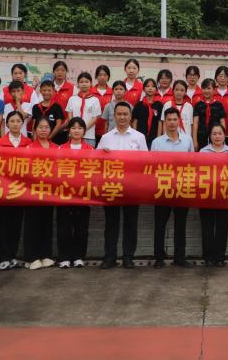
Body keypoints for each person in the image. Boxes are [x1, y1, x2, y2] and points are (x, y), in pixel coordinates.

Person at [98, 102, 148, 269]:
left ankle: (128, 257)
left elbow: (145, 163)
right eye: (119, 114)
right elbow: (96, 162)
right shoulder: (106, 138)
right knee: (111, 224)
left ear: (130, 116)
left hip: (132, 188)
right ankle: (109, 257)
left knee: (130, 223)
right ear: (114, 116)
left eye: (125, 114)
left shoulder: (139, 137)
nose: (122, 117)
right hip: (111, 187)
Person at [151, 108, 195, 268]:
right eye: (169, 119)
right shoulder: (157, 142)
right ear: (165, 121)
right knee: (160, 225)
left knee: (180, 225)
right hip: (162, 188)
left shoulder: (187, 140)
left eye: (174, 119)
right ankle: (159, 258)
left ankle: (180, 257)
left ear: (179, 121)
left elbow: (193, 164)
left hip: (182, 188)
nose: (171, 123)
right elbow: (152, 166)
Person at [0, 111, 30, 269]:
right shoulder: (0, 142)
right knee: (3, 224)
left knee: (16, 224)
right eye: (12, 121)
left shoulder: (28, 143)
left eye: (18, 121)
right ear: (7, 124)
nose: (15, 124)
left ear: (22, 124)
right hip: (3, 189)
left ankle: (13, 256)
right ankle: (3, 257)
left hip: (21, 190)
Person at [55, 117, 92, 269]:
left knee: (81, 227)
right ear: (68, 131)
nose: (77, 131)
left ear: (84, 131)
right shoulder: (60, 149)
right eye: (73, 128)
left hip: (83, 194)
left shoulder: (90, 150)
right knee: (64, 226)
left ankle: (79, 257)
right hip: (64, 193)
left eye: (80, 128)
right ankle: (64, 257)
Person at [199, 123, 228, 266]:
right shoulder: (203, 152)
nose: (217, 136)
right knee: (207, 227)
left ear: (224, 135)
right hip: (207, 195)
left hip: (225, 195)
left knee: (222, 227)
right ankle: (208, 257)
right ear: (210, 136)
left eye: (220, 133)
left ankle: (220, 257)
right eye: (214, 134)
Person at [25, 118, 58, 269]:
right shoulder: (29, 147)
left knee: (47, 223)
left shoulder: (56, 148)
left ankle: (46, 255)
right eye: (41, 127)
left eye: (47, 127)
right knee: (32, 224)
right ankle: (31, 257)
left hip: (49, 192)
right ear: (35, 129)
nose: (44, 130)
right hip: (32, 192)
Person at [66, 72, 102, 148]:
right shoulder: (72, 99)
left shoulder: (95, 100)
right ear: (78, 84)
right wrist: (74, 129)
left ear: (91, 84)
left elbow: (95, 118)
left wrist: (83, 129)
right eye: (81, 82)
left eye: (86, 82)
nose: (84, 84)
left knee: (88, 155)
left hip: (89, 136)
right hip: (74, 135)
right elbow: (70, 115)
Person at [193, 78, 227, 151]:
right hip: (201, 136)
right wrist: (195, 140)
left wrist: (223, 137)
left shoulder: (219, 105)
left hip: (215, 136)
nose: (206, 91)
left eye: (209, 88)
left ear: (214, 90)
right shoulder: (198, 105)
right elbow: (195, 123)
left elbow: (222, 122)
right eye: (204, 88)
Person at [92, 65, 114, 139]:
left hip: (108, 129)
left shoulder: (113, 92)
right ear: (96, 76)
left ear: (108, 77)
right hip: (91, 129)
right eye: (100, 75)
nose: (102, 77)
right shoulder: (90, 91)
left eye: (105, 75)